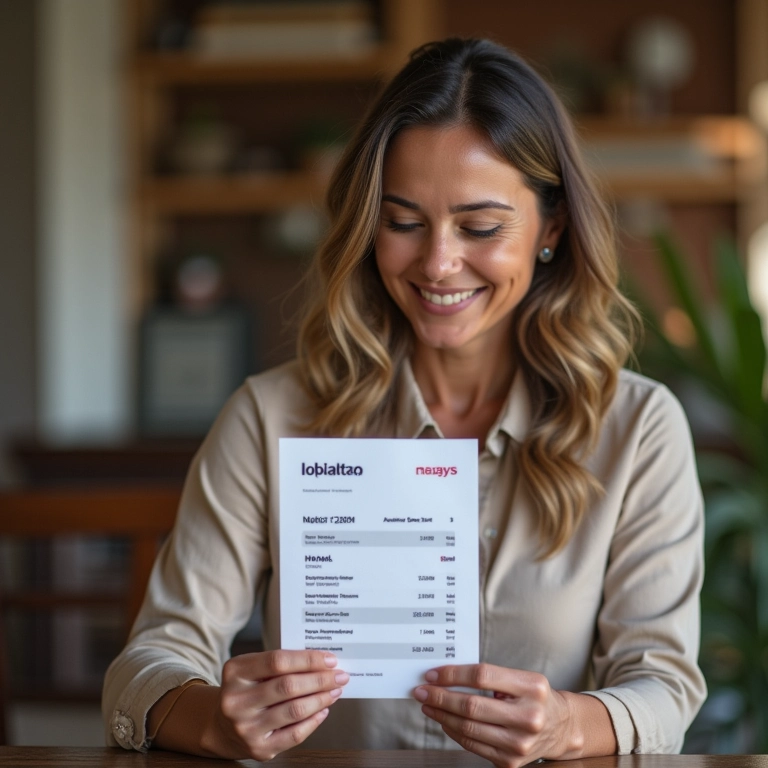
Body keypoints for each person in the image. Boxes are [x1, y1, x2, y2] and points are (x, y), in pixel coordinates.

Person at [103, 38, 706, 765]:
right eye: (403, 222)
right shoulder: (272, 418)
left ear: (551, 228)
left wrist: (566, 725)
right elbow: (147, 666)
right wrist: (209, 717)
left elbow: (664, 687)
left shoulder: (637, 429)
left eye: (480, 227)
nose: (438, 263)